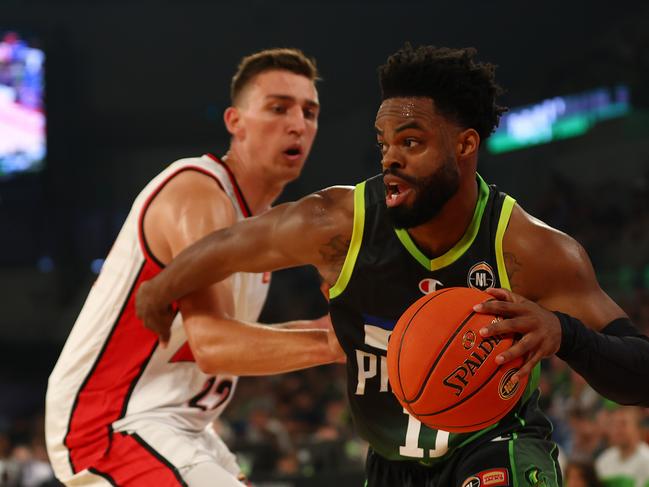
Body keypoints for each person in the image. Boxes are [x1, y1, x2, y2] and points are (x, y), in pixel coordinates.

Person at [136, 44, 649, 486]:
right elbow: (226, 246)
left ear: (465, 145)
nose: (390, 159)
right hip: (389, 464)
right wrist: (161, 290)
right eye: (384, 144)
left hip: (496, 448)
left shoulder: (533, 251)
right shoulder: (337, 223)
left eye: (411, 142)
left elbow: (639, 371)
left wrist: (563, 332)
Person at [45, 48, 343, 487]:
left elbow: (235, 342)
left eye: (310, 112)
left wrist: (325, 327)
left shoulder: (259, 226)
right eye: (278, 108)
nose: (298, 123)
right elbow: (214, 346)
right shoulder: (198, 192)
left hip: (184, 427)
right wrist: (337, 343)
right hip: (109, 422)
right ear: (235, 122)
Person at [595, 407, 649, 487]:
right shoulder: (603, 460)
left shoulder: (646, 460)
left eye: (623, 424)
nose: (618, 430)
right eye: (614, 425)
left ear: (636, 428)